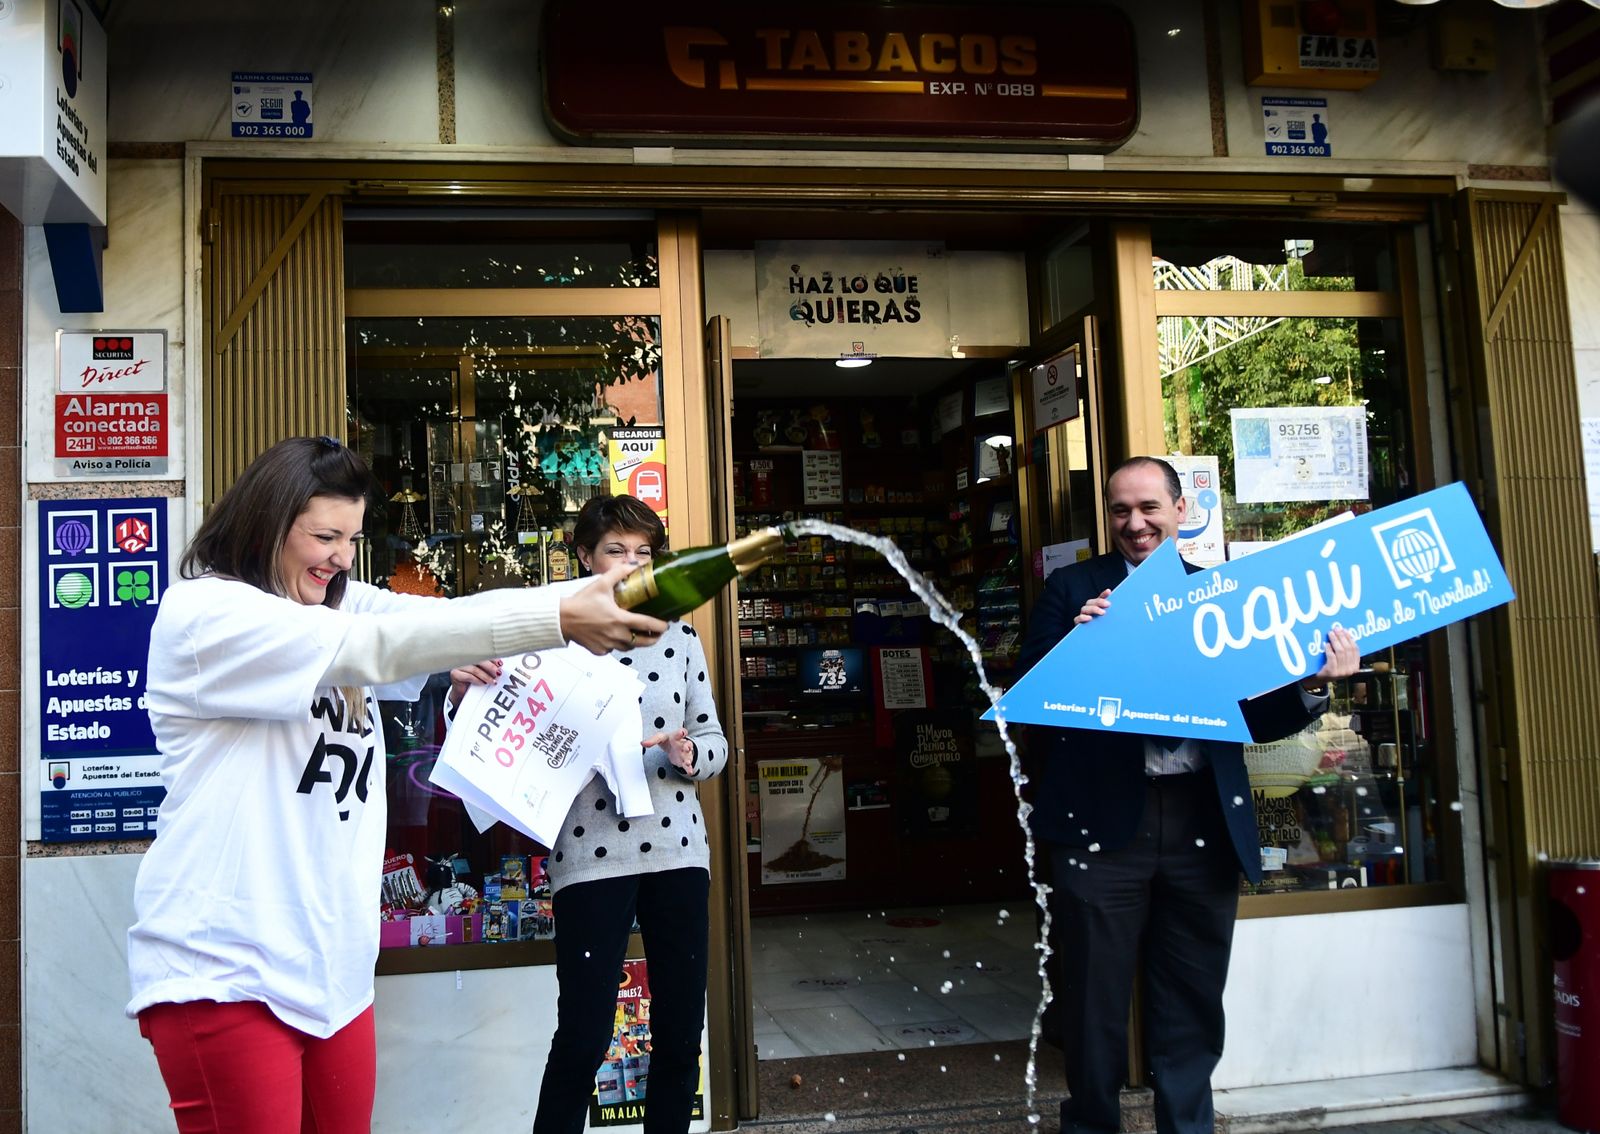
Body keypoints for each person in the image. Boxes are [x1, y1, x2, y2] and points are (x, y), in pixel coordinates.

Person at [125, 436, 666, 1134]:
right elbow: (375, 650)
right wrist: (556, 617)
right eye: (324, 536)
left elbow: (427, 623)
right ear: (266, 523)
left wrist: (568, 605)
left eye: (351, 538)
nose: (342, 558)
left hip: (336, 970)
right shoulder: (208, 616)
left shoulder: (337, 607)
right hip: (226, 966)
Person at [1018, 456, 1359, 1134]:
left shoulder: (1223, 597)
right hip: (1101, 826)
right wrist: (1078, 649)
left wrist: (1318, 685)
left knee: (1193, 1002)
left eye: (1148, 508)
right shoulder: (1072, 590)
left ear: (1182, 512)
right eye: (1121, 511)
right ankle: (1091, 1124)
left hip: (1202, 819)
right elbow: (1031, 699)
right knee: (1092, 1003)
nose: (1135, 524)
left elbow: (1257, 716)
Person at [453, 494, 728, 1134]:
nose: (631, 564)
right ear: (584, 556)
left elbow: (714, 740)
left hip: (679, 852)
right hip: (587, 854)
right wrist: (464, 690)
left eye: (643, 553)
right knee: (584, 1030)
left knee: (682, 1027)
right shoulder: (551, 641)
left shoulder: (680, 637)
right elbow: (494, 730)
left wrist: (689, 753)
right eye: (615, 551)